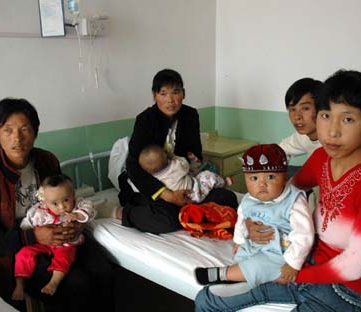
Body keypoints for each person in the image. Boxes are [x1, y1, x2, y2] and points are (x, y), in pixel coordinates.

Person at [195, 70, 361, 312]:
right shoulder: (321, 158)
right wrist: (254, 222)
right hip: (303, 260)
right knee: (207, 299)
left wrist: (296, 273)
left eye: (347, 119)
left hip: (346, 289)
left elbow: (354, 266)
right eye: (326, 115)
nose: (333, 131)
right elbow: (281, 196)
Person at [0, 98, 113, 311]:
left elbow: (66, 199)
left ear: (34, 131)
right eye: (8, 130)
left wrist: (76, 223)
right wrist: (33, 236)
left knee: (103, 271)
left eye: (24, 129)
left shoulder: (47, 161)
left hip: (61, 237)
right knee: (76, 284)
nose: (17, 138)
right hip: (17, 251)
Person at [118, 68, 238, 234]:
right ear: (154, 96)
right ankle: (126, 213)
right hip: (151, 183)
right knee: (166, 220)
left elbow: (195, 152)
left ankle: (189, 211)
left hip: (182, 178)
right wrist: (167, 194)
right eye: (163, 94)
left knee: (227, 199)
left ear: (184, 93)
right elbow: (133, 166)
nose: (170, 100)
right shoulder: (145, 120)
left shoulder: (190, 115)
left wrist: (188, 184)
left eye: (176, 92)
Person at [194, 144, 313, 287]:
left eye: (270, 177)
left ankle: (222, 274)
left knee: (260, 266)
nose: (262, 184)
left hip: (280, 250)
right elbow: (241, 220)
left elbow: (304, 235)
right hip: (253, 244)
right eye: (254, 178)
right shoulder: (248, 199)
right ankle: (240, 279)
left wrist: (293, 264)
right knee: (241, 257)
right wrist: (238, 241)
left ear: (284, 177)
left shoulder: (294, 200)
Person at [12, 174, 96, 300]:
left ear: (73, 195)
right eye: (55, 203)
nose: (62, 207)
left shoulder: (78, 205)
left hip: (65, 243)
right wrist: (32, 232)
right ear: (44, 202)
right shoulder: (39, 212)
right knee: (23, 253)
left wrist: (77, 216)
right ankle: (19, 284)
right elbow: (26, 224)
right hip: (43, 243)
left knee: (65, 257)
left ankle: (54, 282)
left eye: (66, 200)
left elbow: (90, 209)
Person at [138, 144, 232, 203]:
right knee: (207, 175)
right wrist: (173, 156)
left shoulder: (151, 177)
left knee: (192, 173)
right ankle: (223, 182)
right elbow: (185, 164)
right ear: (166, 157)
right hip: (195, 191)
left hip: (178, 199)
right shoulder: (174, 166)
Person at [279, 77, 323, 162]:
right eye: (292, 109)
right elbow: (278, 151)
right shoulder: (302, 137)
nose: (297, 116)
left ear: (322, 108)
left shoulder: (333, 142)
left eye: (305, 108)